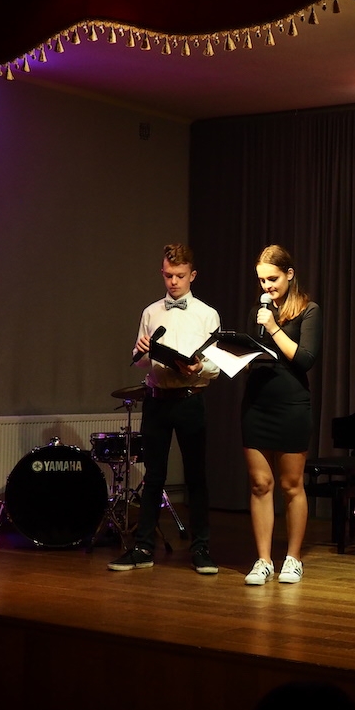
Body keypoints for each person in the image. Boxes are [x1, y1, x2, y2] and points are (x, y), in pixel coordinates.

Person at [108, 243, 221, 575]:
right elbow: (141, 362)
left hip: (190, 398)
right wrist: (142, 350)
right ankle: (143, 547)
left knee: (196, 476)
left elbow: (216, 366)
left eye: (180, 276)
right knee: (153, 476)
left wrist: (198, 367)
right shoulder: (151, 312)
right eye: (168, 275)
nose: (173, 282)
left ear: (192, 275)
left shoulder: (207, 314)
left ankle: (201, 548)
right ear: (162, 273)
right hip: (157, 400)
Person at [242, 245, 321, 585]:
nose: (267, 286)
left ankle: (293, 558)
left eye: (272, 279)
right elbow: (252, 354)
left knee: (290, 485)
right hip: (257, 404)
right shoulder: (257, 312)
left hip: (291, 406)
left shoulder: (308, 310)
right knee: (260, 484)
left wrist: (273, 327)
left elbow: (304, 359)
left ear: (289, 274)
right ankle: (263, 560)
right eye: (262, 280)